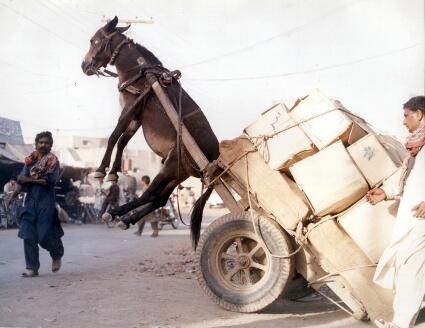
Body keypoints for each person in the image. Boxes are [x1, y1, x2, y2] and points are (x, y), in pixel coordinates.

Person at [367, 96, 425, 328]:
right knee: (406, 265)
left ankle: (401, 324)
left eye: (406, 115)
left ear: (419, 114)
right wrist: (385, 192)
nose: (403, 122)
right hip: (411, 219)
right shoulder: (417, 148)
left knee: (409, 267)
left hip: (421, 220)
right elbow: (407, 178)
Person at [12, 131, 64, 277]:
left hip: (45, 202)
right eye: (40, 142)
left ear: (51, 145)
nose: (43, 145)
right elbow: (21, 180)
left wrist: (29, 180)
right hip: (30, 202)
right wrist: (13, 196)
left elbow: (49, 181)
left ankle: (57, 253)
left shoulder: (53, 162)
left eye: (46, 143)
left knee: (44, 235)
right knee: (28, 235)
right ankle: (32, 268)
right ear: (36, 144)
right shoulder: (30, 161)